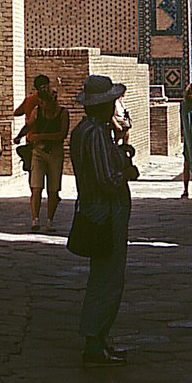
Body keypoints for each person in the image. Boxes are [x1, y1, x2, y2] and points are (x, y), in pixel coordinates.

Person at [70, 74, 134, 367]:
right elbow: (106, 179)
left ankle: (99, 337)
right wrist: (126, 174)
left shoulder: (88, 130)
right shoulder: (94, 133)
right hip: (104, 210)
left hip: (97, 208)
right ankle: (95, 340)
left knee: (103, 277)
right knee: (107, 279)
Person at [23, 87, 69, 232]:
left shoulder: (63, 113)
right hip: (39, 151)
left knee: (53, 189)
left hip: (55, 152)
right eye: (41, 102)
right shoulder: (37, 111)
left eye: (45, 102)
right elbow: (29, 125)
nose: (43, 105)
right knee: (36, 187)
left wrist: (41, 136)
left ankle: (50, 220)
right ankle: (35, 219)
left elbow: (62, 135)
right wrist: (20, 136)